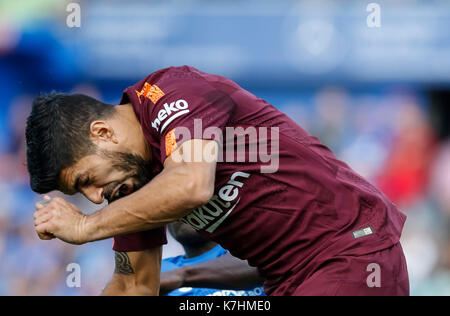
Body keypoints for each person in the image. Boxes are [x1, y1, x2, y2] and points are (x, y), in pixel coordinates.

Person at [27, 65, 409, 295]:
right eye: (82, 194)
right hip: (289, 279)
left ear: (103, 133)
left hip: (350, 254)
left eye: (87, 179)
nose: (94, 198)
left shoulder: (172, 94)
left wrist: (84, 227)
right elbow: (135, 287)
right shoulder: (131, 182)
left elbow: (191, 185)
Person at [160, 221, 265, 296]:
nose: (184, 215)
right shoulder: (158, 269)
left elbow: (266, 264)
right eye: (176, 211)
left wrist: (181, 276)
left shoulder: (247, 246)